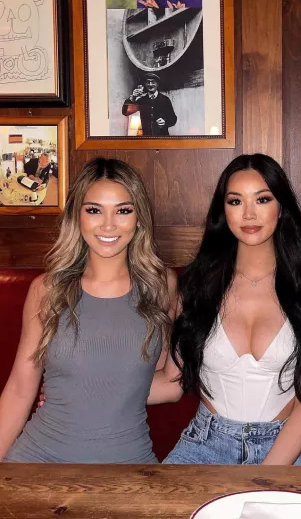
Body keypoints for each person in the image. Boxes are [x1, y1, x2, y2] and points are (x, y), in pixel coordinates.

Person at [149, 153, 301, 465]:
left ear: (281, 207)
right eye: (235, 201)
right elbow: (170, 380)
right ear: (223, 211)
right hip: (204, 446)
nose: (249, 214)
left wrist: (265, 478)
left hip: (287, 451)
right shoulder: (196, 286)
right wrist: (82, 388)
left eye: (262, 199)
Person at [0, 158, 175, 463]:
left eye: (123, 210)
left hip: (129, 465)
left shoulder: (162, 287)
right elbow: (19, 389)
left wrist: (96, 391)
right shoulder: (48, 289)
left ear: (139, 218)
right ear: (77, 216)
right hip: (38, 458)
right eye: (94, 210)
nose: (108, 225)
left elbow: (163, 384)